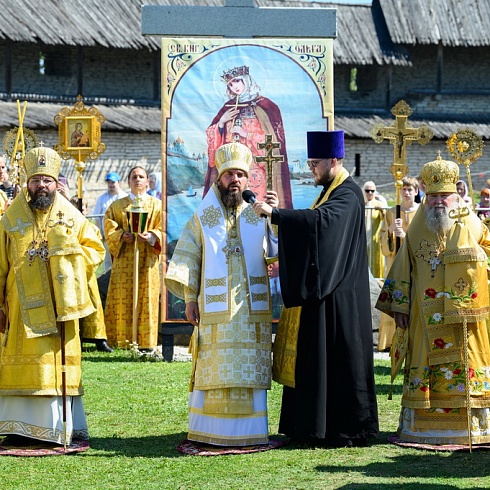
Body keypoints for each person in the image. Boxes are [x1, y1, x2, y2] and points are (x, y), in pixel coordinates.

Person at [252, 130, 379, 447]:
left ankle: (343, 428)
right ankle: (308, 427)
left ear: (334, 160)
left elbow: (322, 224)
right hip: (328, 294)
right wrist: (279, 213)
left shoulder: (348, 193)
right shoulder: (330, 191)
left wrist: (278, 214)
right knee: (317, 360)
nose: (312, 168)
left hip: (340, 298)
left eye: (316, 163)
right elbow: (313, 224)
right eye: (309, 163)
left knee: (336, 361)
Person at [165, 142, 279, 447]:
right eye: (230, 174)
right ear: (219, 177)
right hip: (214, 312)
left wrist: (276, 219)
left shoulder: (258, 212)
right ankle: (211, 429)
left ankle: (250, 431)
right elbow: (189, 257)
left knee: (248, 368)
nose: (236, 180)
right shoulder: (204, 216)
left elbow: (276, 251)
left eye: (241, 174)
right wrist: (190, 298)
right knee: (215, 368)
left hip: (250, 309)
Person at [376, 155, 490, 447]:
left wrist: (475, 261)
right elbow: (404, 264)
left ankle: (470, 429)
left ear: (454, 195)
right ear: (426, 196)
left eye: (444, 196)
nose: (439, 202)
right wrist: (398, 307)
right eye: (433, 195)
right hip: (422, 315)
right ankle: (426, 427)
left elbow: (487, 252)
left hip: (465, 316)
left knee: (467, 362)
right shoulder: (418, 226)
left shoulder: (469, 220)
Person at [0, 146, 105, 446]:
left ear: (56, 182)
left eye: (47, 180)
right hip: (18, 309)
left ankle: (59, 426)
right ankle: (18, 427)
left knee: (54, 366)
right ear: (27, 184)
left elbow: (95, 249)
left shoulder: (70, 215)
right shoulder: (10, 219)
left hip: (61, 307)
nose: (42, 186)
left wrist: (65, 257)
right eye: (36, 181)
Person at [204, 65, 292, 208]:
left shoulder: (265, 106)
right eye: (230, 84)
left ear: (246, 80)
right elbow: (215, 153)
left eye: (237, 81)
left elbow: (273, 143)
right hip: (232, 175)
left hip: (256, 172)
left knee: (256, 216)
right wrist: (221, 123)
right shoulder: (227, 108)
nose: (234, 87)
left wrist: (246, 134)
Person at [104, 167, 162, 350]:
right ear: (128, 181)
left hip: (148, 260)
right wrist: (122, 236)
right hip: (125, 260)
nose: (138, 179)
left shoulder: (157, 205)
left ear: (147, 182)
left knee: (147, 297)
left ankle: (146, 342)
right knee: (122, 298)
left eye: (141, 177)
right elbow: (109, 227)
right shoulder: (116, 206)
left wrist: (152, 236)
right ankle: (122, 340)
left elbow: (164, 228)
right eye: (134, 177)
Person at [377, 176, 419, 351]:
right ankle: (390, 341)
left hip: (414, 264)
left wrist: (405, 237)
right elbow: (383, 242)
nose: (407, 192)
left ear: (416, 192)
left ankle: (413, 339)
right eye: (404, 189)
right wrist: (390, 232)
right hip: (395, 263)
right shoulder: (392, 213)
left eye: (410, 189)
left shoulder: (421, 212)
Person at [69, 196, 113, 353]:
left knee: (94, 305)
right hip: (71, 275)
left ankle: (99, 339)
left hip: (87, 273)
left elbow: (96, 246)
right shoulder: (67, 225)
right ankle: (77, 339)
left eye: (83, 208)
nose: (80, 211)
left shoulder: (90, 227)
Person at [363, 181, 385, 279]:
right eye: (367, 191)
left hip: (374, 241)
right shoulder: (359, 204)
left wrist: (382, 210)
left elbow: (386, 220)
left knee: (375, 264)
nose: (370, 193)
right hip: (361, 240)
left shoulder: (379, 204)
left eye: (372, 191)